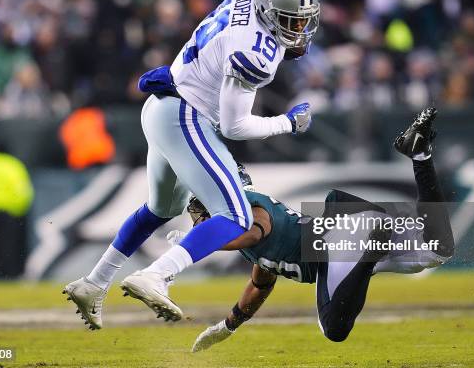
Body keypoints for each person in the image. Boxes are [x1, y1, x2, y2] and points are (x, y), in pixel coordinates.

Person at [63, 0, 321, 329]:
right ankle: (156, 275)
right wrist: (288, 123)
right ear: (268, 8)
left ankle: (94, 282)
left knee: (161, 207)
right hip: (184, 116)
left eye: (302, 20)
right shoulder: (255, 53)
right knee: (236, 218)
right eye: (290, 20)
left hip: (162, 105)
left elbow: (242, 7)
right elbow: (234, 126)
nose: (298, 29)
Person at [176, 108, 454, 350]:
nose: (201, 216)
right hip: (354, 225)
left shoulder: (250, 209)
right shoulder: (249, 238)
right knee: (437, 250)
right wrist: (227, 327)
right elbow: (259, 284)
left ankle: (371, 248)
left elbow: (256, 231)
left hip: (339, 237)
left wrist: (198, 243)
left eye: (205, 208)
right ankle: (420, 154)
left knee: (333, 328)